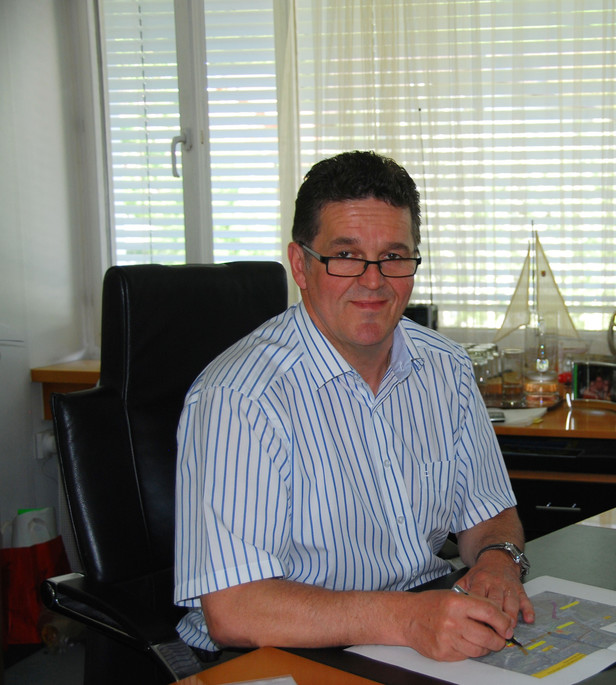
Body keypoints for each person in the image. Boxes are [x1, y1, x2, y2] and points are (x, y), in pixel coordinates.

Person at [174, 150, 535, 662]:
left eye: (394, 256)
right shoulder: (239, 398)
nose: (373, 280)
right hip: (274, 653)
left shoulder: (446, 368)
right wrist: (406, 619)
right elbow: (234, 610)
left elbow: (489, 512)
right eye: (345, 255)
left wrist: (498, 562)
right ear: (300, 265)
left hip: (413, 632)